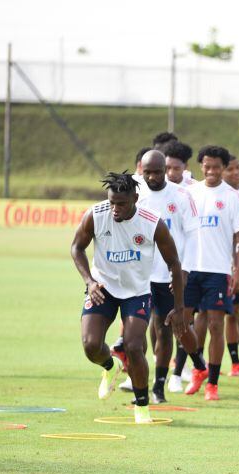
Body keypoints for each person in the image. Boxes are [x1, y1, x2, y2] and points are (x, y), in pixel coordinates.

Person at [69, 172, 186, 423]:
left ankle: (142, 406)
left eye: (121, 203)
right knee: (90, 346)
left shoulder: (152, 223)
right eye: (112, 202)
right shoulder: (96, 214)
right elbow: (76, 247)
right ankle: (111, 367)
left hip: (137, 292)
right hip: (102, 287)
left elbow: (174, 263)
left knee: (134, 345)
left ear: (135, 198)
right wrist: (89, 281)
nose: (115, 209)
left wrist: (179, 307)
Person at [181, 145, 239, 400]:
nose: (211, 171)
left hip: (218, 271)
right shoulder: (189, 194)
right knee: (183, 324)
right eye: (207, 166)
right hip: (189, 269)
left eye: (216, 167)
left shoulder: (231, 196)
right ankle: (198, 367)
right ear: (201, 167)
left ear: (223, 167)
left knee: (215, 325)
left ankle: (212, 383)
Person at [137, 149, 201, 403]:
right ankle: (137, 379)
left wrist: (184, 270)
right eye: (147, 172)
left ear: (165, 170)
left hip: (168, 276)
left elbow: (194, 235)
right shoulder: (134, 190)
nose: (152, 177)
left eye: (157, 172)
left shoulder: (181, 195)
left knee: (166, 331)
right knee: (136, 330)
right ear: (141, 170)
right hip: (139, 274)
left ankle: (159, 386)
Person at [221, 154, 239, 377]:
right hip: (224, 265)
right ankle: (236, 361)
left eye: (238, 168)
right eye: (230, 169)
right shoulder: (220, 196)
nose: (236, 172)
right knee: (231, 315)